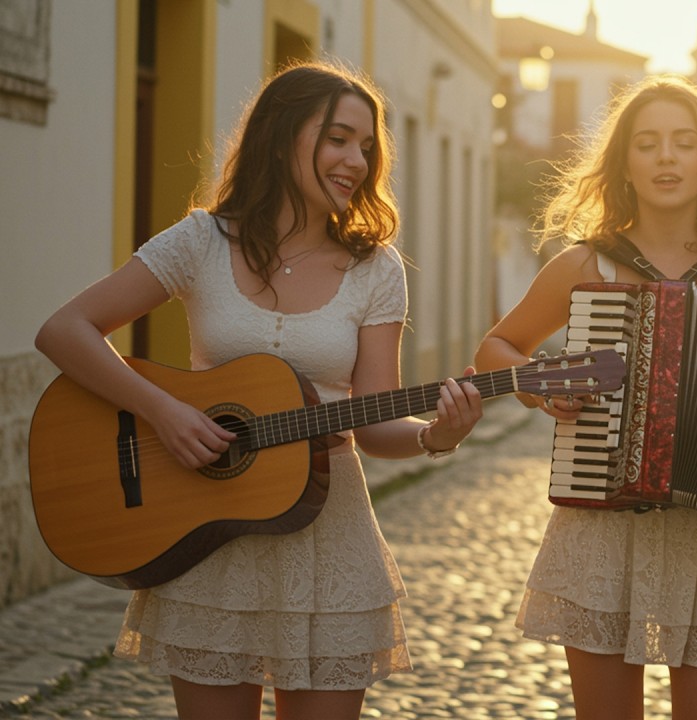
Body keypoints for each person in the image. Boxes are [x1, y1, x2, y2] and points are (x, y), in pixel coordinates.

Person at [34, 61, 483, 720]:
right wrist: (161, 412)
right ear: (280, 136)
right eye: (338, 138)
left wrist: (436, 437)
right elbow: (63, 330)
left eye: (367, 146)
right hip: (209, 539)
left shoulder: (375, 268)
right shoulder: (200, 242)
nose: (356, 160)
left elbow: (376, 424)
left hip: (329, 539)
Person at [474, 74, 697, 720]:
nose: (666, 157)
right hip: (603, 532)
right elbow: (497, 350)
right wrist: (544, 384)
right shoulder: (588, 265)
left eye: (683, 142)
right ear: (624, 164)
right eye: (647, 143)